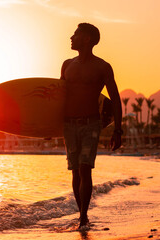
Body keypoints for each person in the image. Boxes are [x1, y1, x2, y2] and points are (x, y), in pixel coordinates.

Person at [60, 23, 123, 230]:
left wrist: (118, 129)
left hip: (91, 123)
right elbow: (59, 97)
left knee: (85, 169)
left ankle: (83, 218)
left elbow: (114, 98)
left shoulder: (102, 67)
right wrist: (47, 127)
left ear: (87, 39)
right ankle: (82, 215)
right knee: (75, 172)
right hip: (69, 124)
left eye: (75, 34)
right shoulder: (66, 64)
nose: (71, 37)